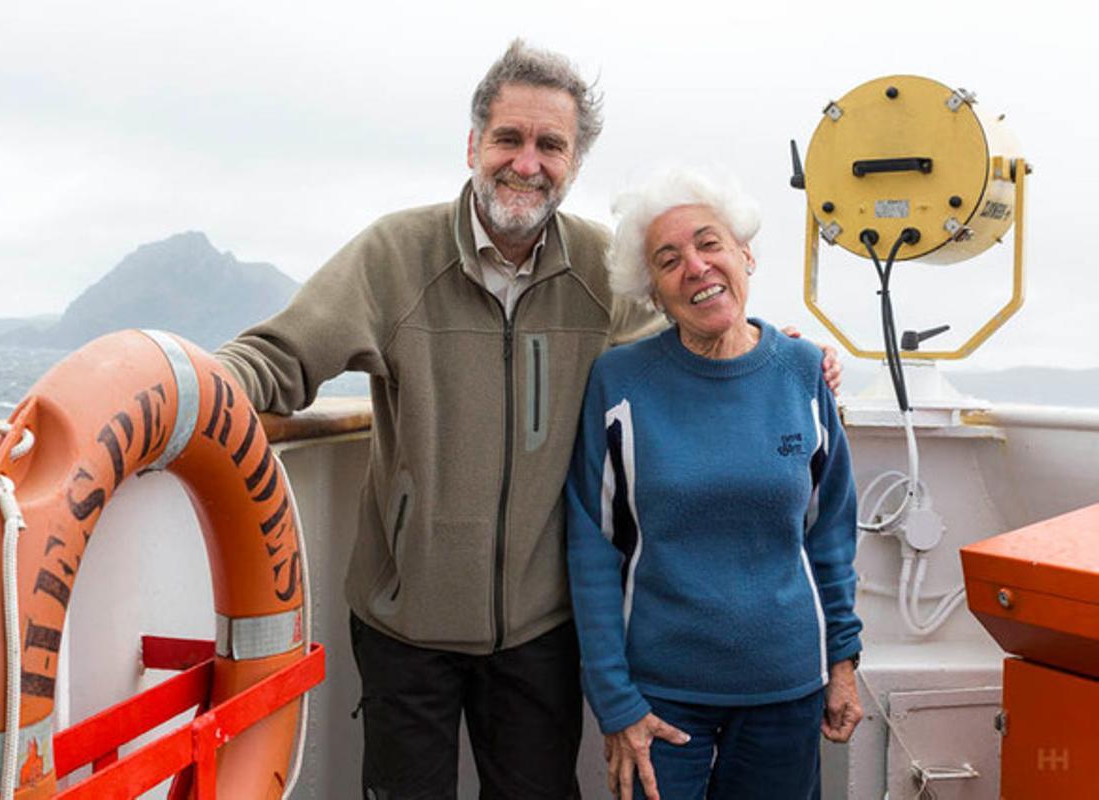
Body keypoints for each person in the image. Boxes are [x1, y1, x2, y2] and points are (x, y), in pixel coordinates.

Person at [217, 42, 842, 799]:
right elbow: (277, 358)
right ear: (474, 143)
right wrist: (185, 396)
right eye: (510, 138)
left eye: (552, 145)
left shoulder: (599, 270)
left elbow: (702, 309)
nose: (528, 161)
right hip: (405, 621)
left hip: (541, 633)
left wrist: (788, 355)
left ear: (574, 163)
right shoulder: (394, 255)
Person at [566, 167, 863, 800]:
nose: (695, 267)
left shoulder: (804, 371)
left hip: (788, 688)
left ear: (745, 254)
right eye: (668, 260)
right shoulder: (619, 383)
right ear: (653, 292)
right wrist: (614, 702)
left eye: (710, 243)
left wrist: (842, 664)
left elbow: (831, 538)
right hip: (660, 698)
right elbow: (593, 553)